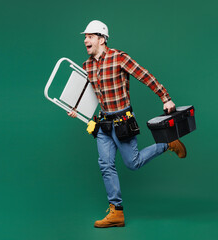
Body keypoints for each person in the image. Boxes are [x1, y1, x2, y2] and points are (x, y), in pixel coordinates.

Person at [67, 20, 187, 228]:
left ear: (102, 39)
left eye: (90, 36)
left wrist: (165, 97)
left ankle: (167, 144)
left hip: (122, 120)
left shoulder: (118, 58)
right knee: (105, 165)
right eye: (85, 37)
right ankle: (116, 212)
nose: (86, 40)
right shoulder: (87, 65)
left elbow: (145, 75)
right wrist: (76, 108)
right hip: (103, 122)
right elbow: (90, 93)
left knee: (133, 163)